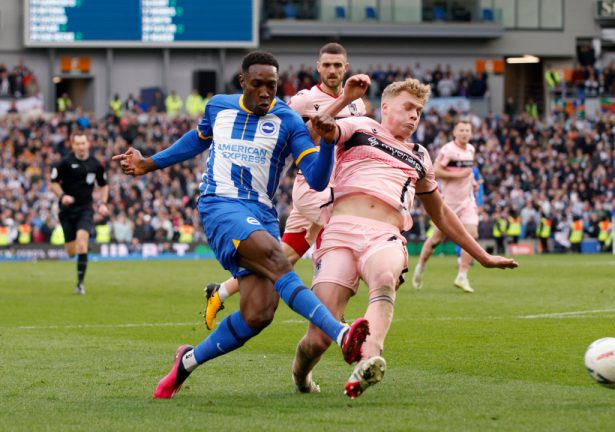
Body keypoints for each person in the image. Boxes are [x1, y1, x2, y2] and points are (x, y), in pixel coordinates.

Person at [112, 51, 372, 399]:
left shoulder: (289, 121)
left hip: (261, 214)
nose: (266, 93)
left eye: (272, 86)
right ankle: (341, 334)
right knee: (276, 258)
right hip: (220, 205)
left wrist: (327, 143)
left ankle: (185, 363)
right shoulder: (218, 106)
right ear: (243, 82)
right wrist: (150, 164)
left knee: (259, 313)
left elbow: (318, 179)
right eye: (258, 85)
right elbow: (197, 139)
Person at [290, 79, 518, 399]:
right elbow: (313, 135)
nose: (414, 117)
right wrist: (332, 116)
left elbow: (440, 214)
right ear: (385, 107)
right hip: (340, 231)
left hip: (384, 235)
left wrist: (482, 256)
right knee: (317, 339)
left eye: (419, 112)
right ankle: (301, 376)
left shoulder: (420, 156)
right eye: (408, 108)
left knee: (384, 277)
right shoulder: (359, 126)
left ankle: (369, 361)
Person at [202, 42, 367, 330]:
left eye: (337, 65)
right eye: (326, 65)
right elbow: (295, 133)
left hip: (337, 185)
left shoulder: (358, 104)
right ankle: (331, 311)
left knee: (286, 254)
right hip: (312, 187)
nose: (332, 70)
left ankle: (221, 291)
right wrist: (340, 103)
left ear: (346, 67)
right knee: (342, 232)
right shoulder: (303, 100)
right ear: (318, 67)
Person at [412, 120, 479, 292]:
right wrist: (459, 176)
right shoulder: (448, 150)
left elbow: (468, 174)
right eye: (462, 130)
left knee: (471, 235)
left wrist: (473, 182)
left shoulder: (471, 149)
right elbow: (436, 171)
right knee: (436, 240)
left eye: (467, 130)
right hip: (448, 203)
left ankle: (462, 276)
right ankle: (419, 268)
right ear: (455, 132)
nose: (465, 133)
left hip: (467, 202)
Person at [50, 132, 109, 294]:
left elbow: (104, 185)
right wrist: (62, 196)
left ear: (88, 144)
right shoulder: (64, 163)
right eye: (78, 143)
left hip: (85, 209)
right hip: (67, 211)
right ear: (73, 145)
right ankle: (79, 250)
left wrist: (103, 203)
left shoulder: (96, 164)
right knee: (71, 251)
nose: (81, 146)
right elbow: (53, 183)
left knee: (82, 243)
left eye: (83, 143)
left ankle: (80, 285)